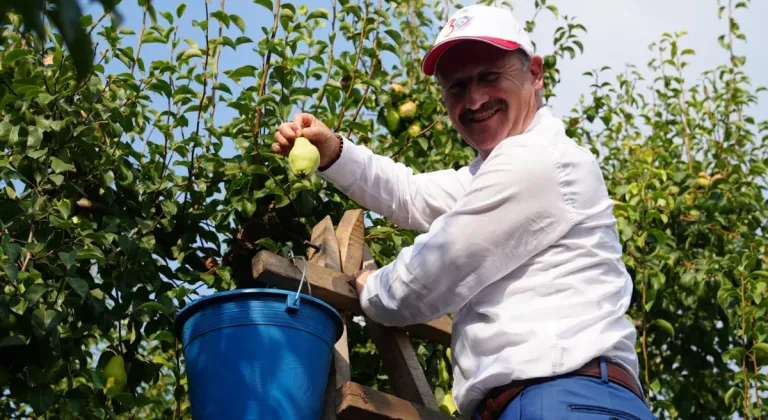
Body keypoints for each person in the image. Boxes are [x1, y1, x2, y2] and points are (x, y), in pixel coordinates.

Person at [272, 4, 656, 420]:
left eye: (490, 76)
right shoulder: (498, 170)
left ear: (535, 74)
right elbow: (412, 195)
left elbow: (428, 276)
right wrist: (334, 151)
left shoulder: (536, 163)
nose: (474, 100)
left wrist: (370, 285)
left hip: (562, 398)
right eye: (456, 88)